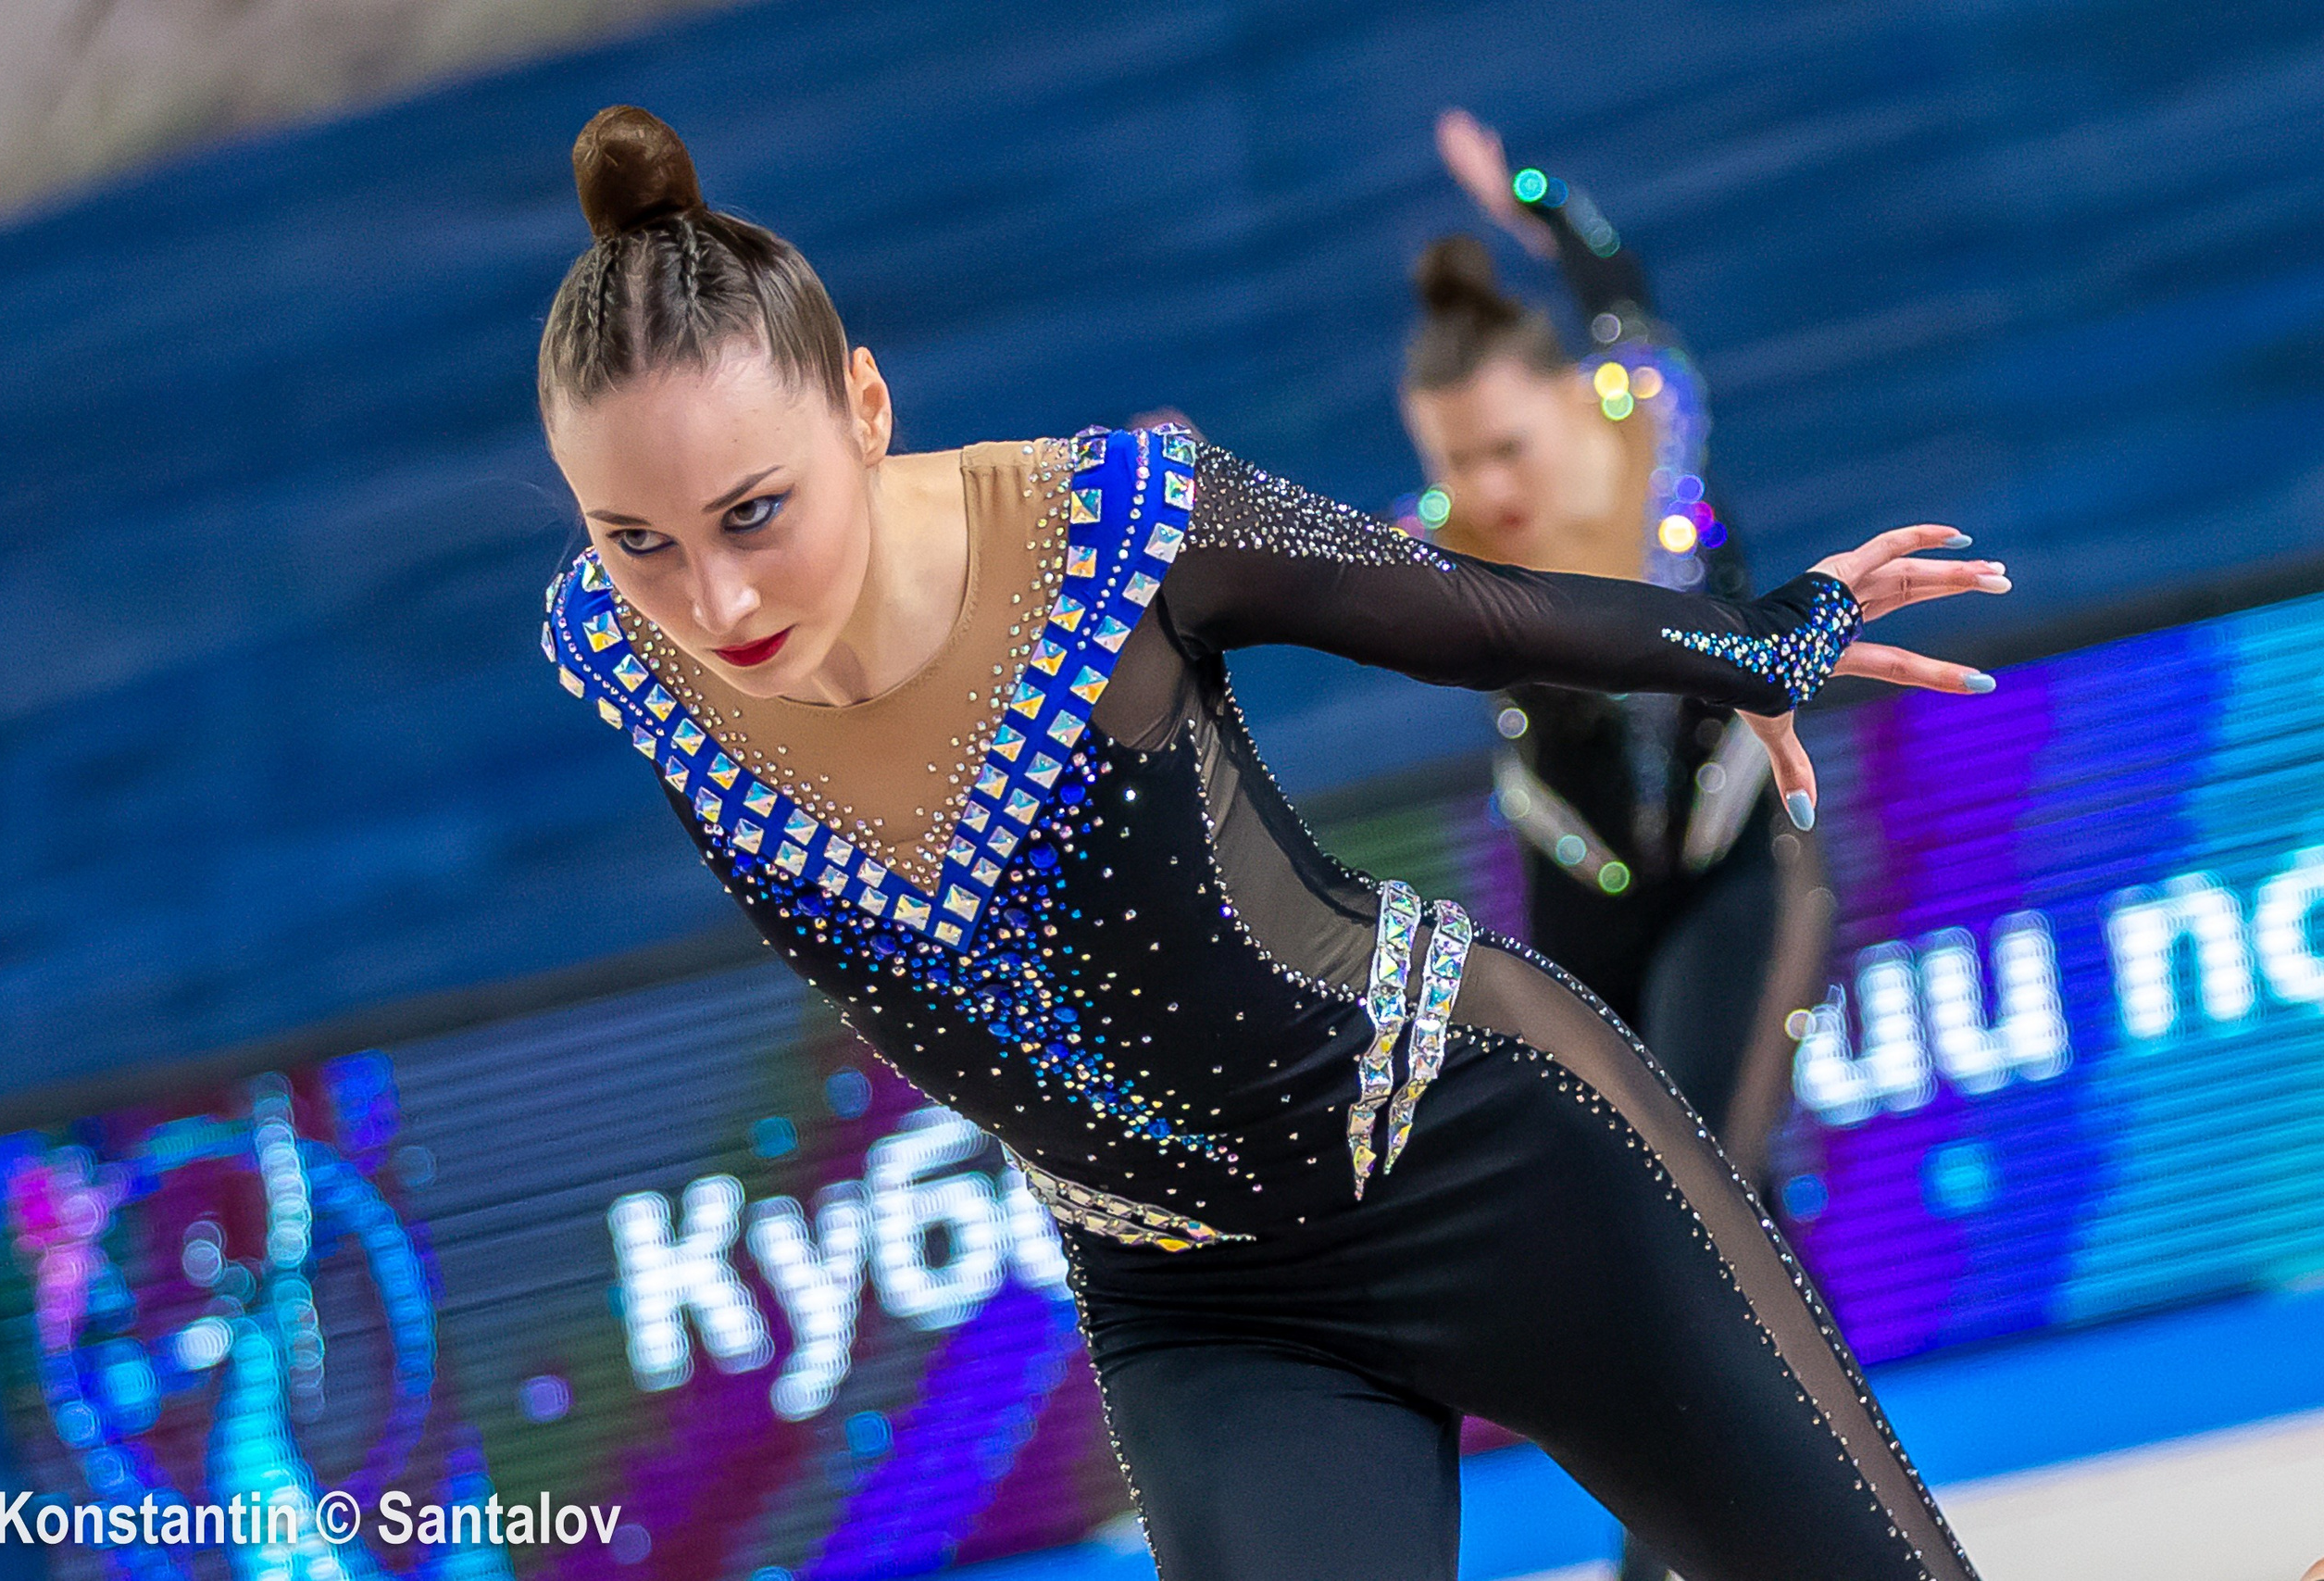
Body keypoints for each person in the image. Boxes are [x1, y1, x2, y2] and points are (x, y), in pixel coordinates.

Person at [536, 106, 2008, 1581]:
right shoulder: (613, 650)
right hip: (1201, 1312)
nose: (715, 604)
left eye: (754, 513)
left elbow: (1473, 611)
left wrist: (1756, 641)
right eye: (637, 538)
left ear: (864, 406)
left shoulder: (1108, 527)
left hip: (1490, 1148)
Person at [1399, 116, 1843, 1581]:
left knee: (1702, 1184)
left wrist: (1528, 195)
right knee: (1685, 1209)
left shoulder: (1653, 428)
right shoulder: (1445, 550)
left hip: (1730, 872)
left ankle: (1688, 1547)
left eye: (1509, 446)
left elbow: (1612, 274)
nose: (1491, 485)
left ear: (1575, 414)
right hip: (1575, 898)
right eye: (1458, 463)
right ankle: (1794, 1510)